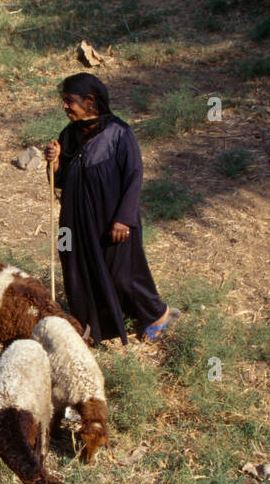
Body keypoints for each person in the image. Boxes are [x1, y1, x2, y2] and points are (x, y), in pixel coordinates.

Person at [43, 72, 179, 345]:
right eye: (64, 101)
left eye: (69, 101)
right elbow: (61, 181)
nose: (65, 107)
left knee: (123, 274)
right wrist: (55, 162)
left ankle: (158, 314)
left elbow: (134, 176)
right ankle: (93, 327)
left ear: (90, 101)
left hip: (111, 219)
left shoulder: (120, 133)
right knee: (78, 271)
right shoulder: (69, 135)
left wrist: (124, 219)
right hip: (75, 222)